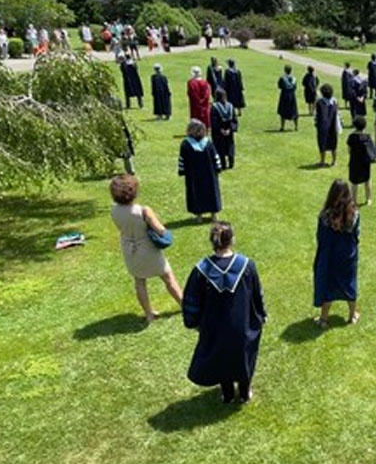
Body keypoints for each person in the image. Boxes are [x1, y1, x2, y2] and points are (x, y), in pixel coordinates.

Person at [181, 221, 266, 404]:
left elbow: (191, 300)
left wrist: (193, 322)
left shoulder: (201, 271)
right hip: (242, 325)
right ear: (232, 240)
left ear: (212, 241)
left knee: (222, 357)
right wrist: (260, 315)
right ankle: (244, 394)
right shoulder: (247, 265)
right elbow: (257, 294)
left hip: (214, 327)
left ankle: (227, 394)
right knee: (244, 357)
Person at [108, 174, 183, 323]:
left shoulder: (113, 211)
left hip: (129, 249)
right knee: (168, 277)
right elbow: (161, 230)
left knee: (140, 281)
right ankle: (184, 305)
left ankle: (149, 314)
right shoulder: (143, 210)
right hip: (147, 248)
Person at [313, 180, 361, 328]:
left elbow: (320, 236)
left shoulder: (325, 216)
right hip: (348, 255)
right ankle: (352, 315)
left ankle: (324, 319)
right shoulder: (354, 214)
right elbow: (356, 235)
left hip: (329, 255)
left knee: (329, 284)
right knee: (349, 283)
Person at [178, 119, 223, 221]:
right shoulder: (205, 143)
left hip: (196, 175)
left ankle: (205, 215)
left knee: (199, 193)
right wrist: (218, 167)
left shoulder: (188, 144)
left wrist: (182, 170)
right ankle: (208, 215)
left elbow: (182, 160)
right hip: (208, 174)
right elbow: (215, 157)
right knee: (208, 193)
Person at [211, 89, 239, 170]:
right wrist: (230, 129)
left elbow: (214, 121)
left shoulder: (214, 107)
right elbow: (234, 120)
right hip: (229, 131)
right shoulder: (230, 106)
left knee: (220, 148)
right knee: (230, 146)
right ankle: (231, 162)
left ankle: (222, 164)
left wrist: (220, 130)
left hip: (219, 133)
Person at [314, 84, 341, 167]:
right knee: (333, 144)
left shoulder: (320, 102)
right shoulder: (335, 102)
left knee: (322, 144)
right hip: (333, 125)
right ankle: (334, 161)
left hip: (322, 126)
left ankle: (322, 161)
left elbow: (316, 114)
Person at [276, 65, 299, 131]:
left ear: (285, 70)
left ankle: (282, 127)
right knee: (294, 111)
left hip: (284, 95)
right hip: (292, 96)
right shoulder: (294, 79)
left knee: (283, 111)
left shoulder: (282, 78)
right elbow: (295, 87)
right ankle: (296, 127)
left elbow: (279, 86)